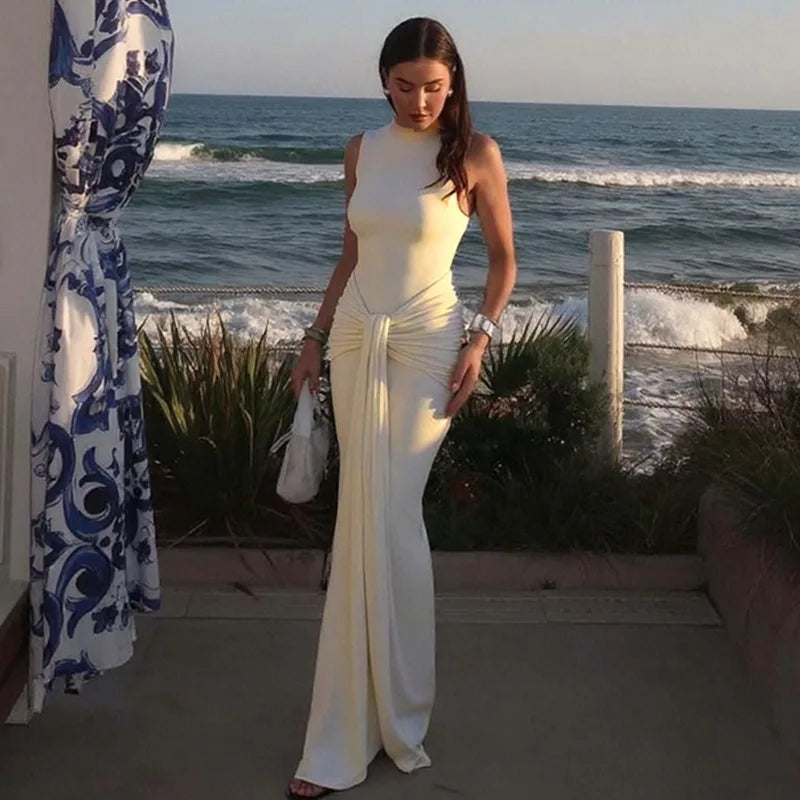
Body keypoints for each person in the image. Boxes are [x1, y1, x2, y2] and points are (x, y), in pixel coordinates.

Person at [285, 16, 517, 799]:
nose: (420, 101)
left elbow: (503, 260)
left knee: (393, 518)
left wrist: (478, 342)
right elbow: (351, 254)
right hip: (355, 336)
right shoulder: (361, 149)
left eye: (435, 87)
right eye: (406, 85)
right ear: (384, 81)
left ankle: (400, 714)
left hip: (428, 346)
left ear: (454, 86)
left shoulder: (476, 156)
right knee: (359, 517)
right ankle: (342, 727)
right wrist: (313, 339)